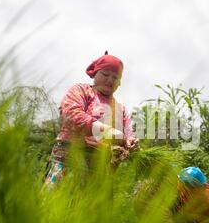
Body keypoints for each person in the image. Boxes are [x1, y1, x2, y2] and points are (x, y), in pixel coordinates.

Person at [44, 51, 139, 185]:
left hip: (100, 168)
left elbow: (128, 133)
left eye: (116, 78)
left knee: (90, 205)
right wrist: (108, 132)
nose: (110, 80)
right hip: (69, 156)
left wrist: (131, 142)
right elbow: (72, 115)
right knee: (54, 202)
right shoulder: (81, 91)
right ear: (95, 73)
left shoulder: (120, 109)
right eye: (105, 74)